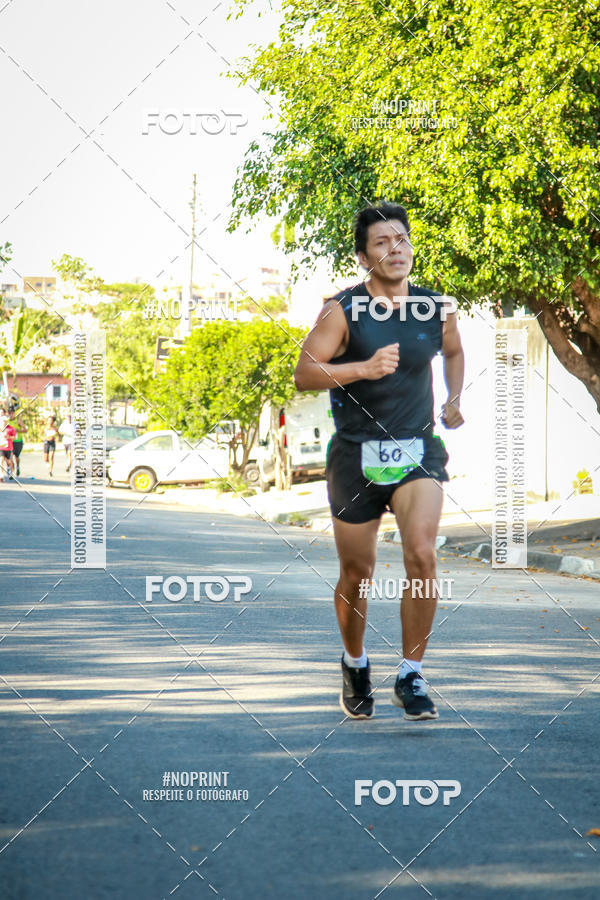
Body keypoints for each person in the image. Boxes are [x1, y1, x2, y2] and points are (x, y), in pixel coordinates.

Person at [294, 203, 465, 722]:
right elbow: (305, 372)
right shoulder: (342, 309)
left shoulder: (437, 306)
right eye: (381, 243)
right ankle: (354, 662)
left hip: (417, 449)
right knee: (357, 572)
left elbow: (454, 352)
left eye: (402, 240)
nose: (396, 251)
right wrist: (363, 368)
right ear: (363, 256)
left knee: (421, 554)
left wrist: (453, 400)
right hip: (356, 454)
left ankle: (411, 674)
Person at [8, 410, 27, 477]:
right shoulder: (7, 422)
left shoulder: (18, 421)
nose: (11, 415)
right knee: (10, 457)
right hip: (10, 441)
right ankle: (11, 473)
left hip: (18, 441)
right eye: (9, 413)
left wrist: (17, 430)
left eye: (12, 413)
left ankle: (17, 467)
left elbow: (25, 430)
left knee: (16, 457)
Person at [0, 410, 16, 481]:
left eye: (5, 421)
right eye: (2, 421)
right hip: (1, 447)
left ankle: (11, 472)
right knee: (1, 460)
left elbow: (15, 437)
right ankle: (1, 475)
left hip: (9, 447)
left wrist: (8, 437)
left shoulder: (11, 429)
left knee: (9, 461)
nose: (3, 423)